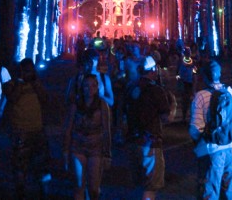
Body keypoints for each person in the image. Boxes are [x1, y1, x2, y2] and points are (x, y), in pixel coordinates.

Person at [189, 59, 232, 200]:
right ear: (220, 74)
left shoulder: (201, 96)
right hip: (231, 149)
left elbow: (195, 128)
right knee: (229, 190)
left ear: (205, 76)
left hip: (210, 150)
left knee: (210, 190)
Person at [124, 55, 176, 200]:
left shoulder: (130, 87)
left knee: (137, 183)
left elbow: (121, 113)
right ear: (152, 70)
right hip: (150, 142)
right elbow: (167, 118)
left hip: (132, 140)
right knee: (150, 187)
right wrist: (173, 106)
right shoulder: (156, 90)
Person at [3, 58, 51, 199]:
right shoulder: (12, 84)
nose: (29, 73)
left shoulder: (37, 84)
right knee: (20, 166)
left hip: (37, 130)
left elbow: (45, 99)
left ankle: (43, 191)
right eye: (26, 70)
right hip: (20, 131)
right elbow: (12, 98)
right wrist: (20, 80)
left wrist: (35, 82)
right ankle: (21, 193)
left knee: (41, 165)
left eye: (31, 70)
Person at [63, 74, 112, 200]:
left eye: (93, 86)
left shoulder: (102, 105)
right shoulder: (76, 105)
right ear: (82, 87)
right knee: (79, 185)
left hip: (96, 147)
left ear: (97, 87)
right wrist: (66, 151)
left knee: (93, 188)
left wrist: (107, 153)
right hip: (78, 146)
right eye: (86, 86)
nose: (89, 89)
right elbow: (68, 129)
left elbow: (107, 130)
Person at [176, 47, 197, 122]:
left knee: (190, 101)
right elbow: (177, 73)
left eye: (189, 52)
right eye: (187, 52)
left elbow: (195, 73)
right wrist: (178, 81)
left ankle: (189, 117)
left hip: (190, 83)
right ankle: (184, 117)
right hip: (183, 83)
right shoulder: (180, 62)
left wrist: (194, 83)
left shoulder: (193, 62)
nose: (188, 53)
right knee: (184, 101)